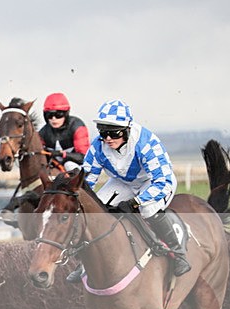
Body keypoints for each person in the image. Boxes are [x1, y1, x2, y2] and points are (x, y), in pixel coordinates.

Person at [66, 99, 191, 283]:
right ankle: (85, 263)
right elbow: (87, 180)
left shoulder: (146, 143)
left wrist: (136, 202)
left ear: (127, 129)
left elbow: (162, 181)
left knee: (147, 210)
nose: (108, 139)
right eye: (103, 132)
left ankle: (179, 253)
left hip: (155, 182)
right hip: (123, 182)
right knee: (96, 209)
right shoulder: (98, 147)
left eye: (113, 132)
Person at [38, 92, 91, 172]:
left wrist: (62, 154)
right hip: (56, 166)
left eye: (58, 114)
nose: (54, 118)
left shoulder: (77, 127)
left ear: (66, 114)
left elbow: (85, 157)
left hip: (77, 166)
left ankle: (83, 184)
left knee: (69, 165)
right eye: (49, 115)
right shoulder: (43, 132)